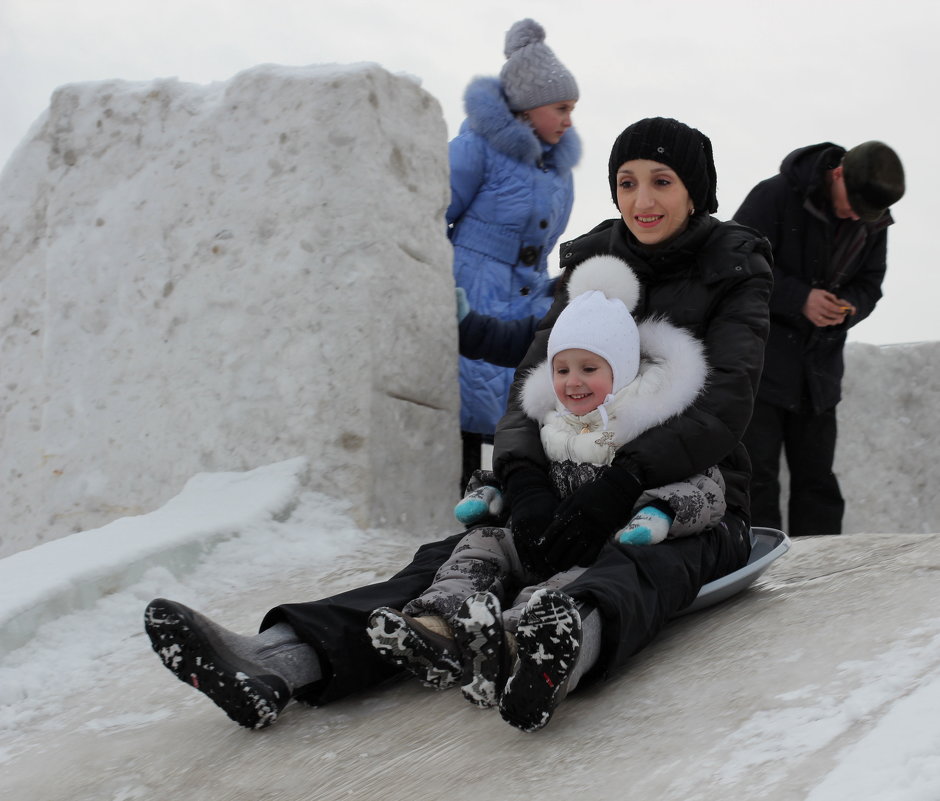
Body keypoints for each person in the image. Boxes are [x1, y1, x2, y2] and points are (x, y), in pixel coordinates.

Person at [144, 117, 772, 734]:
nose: (642, 199)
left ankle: (554, 652)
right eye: (627, 181)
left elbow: (725, 404)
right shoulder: (594, 266)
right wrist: (525, 484)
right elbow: (533, 384)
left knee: (632, 569)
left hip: (686, 497)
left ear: (694, 191)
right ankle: (280, 660)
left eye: (661, 182)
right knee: (453, 565)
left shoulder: (734, 268)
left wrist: (624, 482)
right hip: (566, 474)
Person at [367, 253, 727, 714]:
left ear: (621, 370)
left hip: (598, 545)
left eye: (589, 369)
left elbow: (704, 487)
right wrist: (491, 492)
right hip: (539, 534)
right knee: (481, 543)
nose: (573, 383)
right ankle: (443, 622)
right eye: (562, 370)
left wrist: (658, 514)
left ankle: (517, 641)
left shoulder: (648, 424)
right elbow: (514, 470)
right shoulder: (549, 422)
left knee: (571, 585)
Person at [734, 141, 905, 536]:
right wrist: (800, 299)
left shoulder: (872, 218)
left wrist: (849, 307)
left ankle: (821, 582)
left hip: (819, 374)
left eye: (865, 213)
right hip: (760, 368)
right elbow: (735, 264)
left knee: (818, 486)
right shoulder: (774, 196)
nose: (854, 216)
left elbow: (870, 285)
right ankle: (757, 575)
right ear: (839, 172)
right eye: (852, 205)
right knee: (756, 483)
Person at [448, 18, 582, 490]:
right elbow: (432, 208)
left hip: (525, 291)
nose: (569, 120)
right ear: (527, 108)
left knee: (521, 397)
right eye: (561, 108)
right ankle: (460, 491)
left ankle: (509, 497)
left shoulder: (559, 172)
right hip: (473, 284)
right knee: (468, 395)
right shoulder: (475, 149)